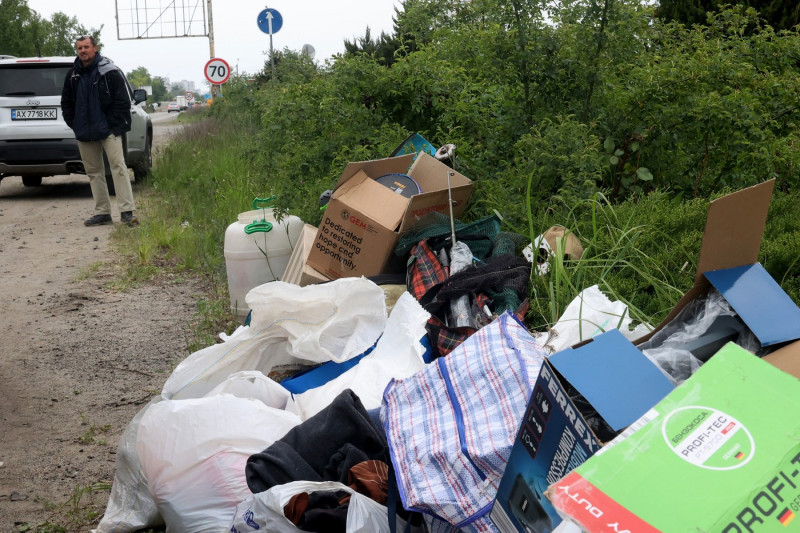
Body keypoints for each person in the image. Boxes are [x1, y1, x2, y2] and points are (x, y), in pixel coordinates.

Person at [61, 35, 138, 226]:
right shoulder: (72, 75)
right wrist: (75, 124)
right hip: (85, 132)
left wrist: (112, 126)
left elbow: (122, 102)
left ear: (95, 48)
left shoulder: (109, 72)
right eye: (79, 48)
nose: (83, 51)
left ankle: (127, 212)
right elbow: (66, 104)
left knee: (118, 168)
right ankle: (102, 213)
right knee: (94, 172)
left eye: (86, 47)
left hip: (109, 130)